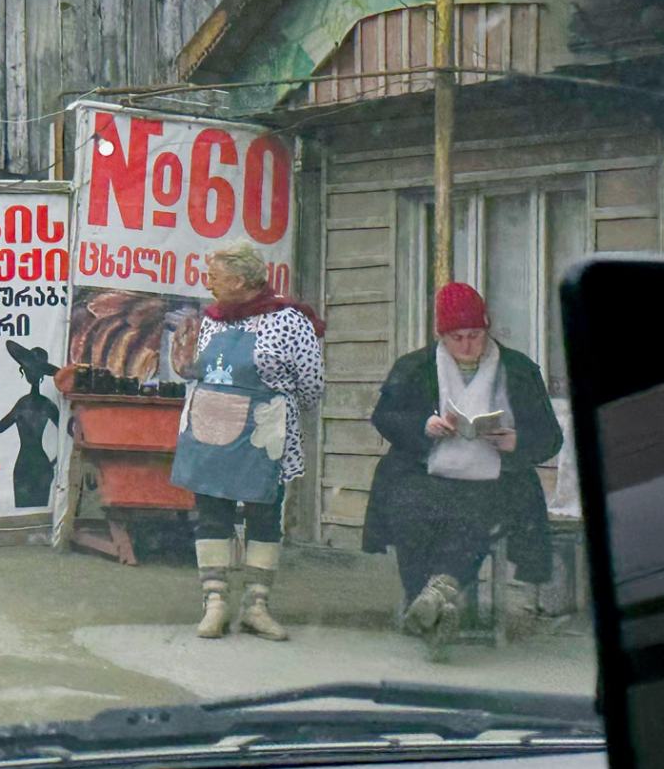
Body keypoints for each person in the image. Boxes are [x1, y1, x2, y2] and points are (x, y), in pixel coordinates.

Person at [363, 282, 564, 655]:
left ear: (487, 329)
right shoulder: (416, 366)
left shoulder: (518, 369)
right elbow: (385, 417)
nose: (468, 346)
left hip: (496, 479)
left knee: (475, 515)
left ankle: (432, 600)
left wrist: (516, 441)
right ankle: (433, 599)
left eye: (475, 335)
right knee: (409, 510)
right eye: (457, 338)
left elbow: (550, 437)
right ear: (441, 336)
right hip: (424, 473)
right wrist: (424, 426)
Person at [168, 244, 325, 641]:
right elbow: (200, 371)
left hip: (262, 434)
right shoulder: (210, 320)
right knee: (212, 513)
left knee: (264, 515)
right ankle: (215, 603)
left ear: (239, 281)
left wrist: (277, 412)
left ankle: (256, 606)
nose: (208, 283)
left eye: (215, 276)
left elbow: (311, 385)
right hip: (209, 429)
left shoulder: (290, 320)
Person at [0, 340, 60, 510]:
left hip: (33, 466)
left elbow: (69, 433)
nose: (30, 372)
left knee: (35, 512)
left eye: (34, 369)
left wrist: (53, 463)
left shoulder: (39, 405)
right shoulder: (30, 404)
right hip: (28, 466)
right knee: (28, 511)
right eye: (28, 368)